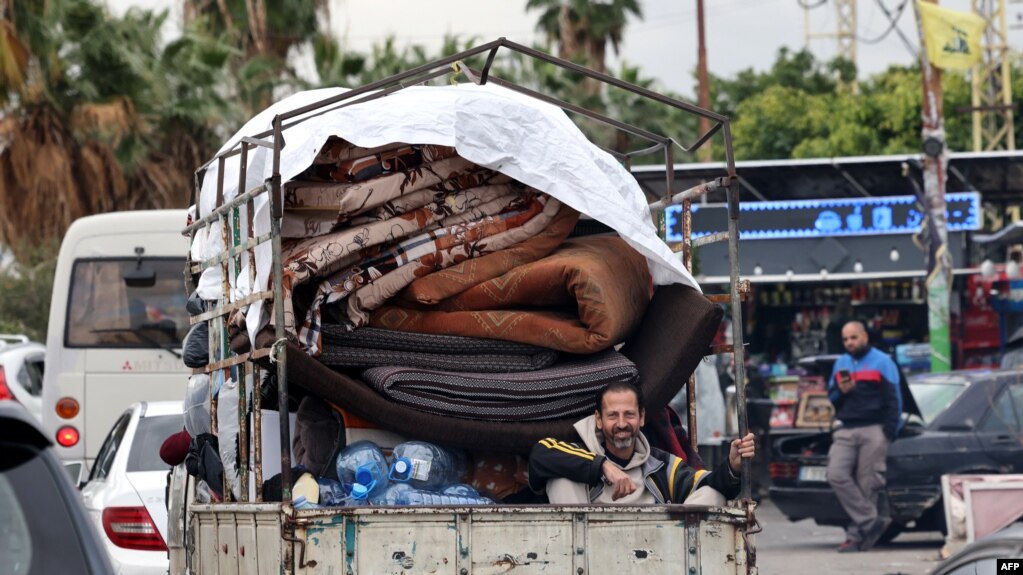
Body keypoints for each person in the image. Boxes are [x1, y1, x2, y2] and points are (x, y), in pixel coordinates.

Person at [528, 381, 755, 505]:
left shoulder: (661, 465)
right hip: (585, 557)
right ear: (598, 419)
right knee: (561, 478)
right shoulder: (578, 454)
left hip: (650, 557)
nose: (621, 423)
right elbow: (541, 453)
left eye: (629, 414)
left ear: (642, 417)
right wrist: (603, 466)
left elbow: (706, 483)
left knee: (712, 495)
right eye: (612, 415)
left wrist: (732, 467)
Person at [826, 320, 902, 553]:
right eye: (845, 339)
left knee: (868, 484)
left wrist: (889, 432)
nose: (849, 342)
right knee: (835, 474)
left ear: (865, 337)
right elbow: (832, 398)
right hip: (847, 428)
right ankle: (872, 521)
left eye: (853, 337)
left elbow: (895, 400)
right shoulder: (841, 363)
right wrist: (841, 391)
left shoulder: (883, 362)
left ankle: (855, 538)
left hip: (874, 428)